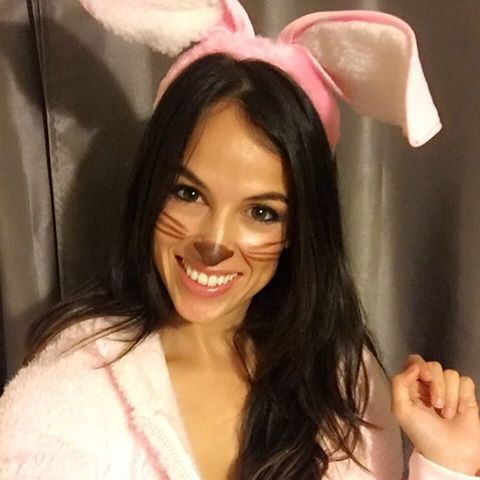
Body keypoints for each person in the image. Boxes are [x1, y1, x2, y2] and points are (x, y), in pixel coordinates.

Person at [0, 1, 479, 479]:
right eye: (188, 193)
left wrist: (448, 464)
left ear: (298, 229)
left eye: (261, 212)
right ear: (150, 188)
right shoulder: (69, 393)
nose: (214, 243)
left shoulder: (344, 386)